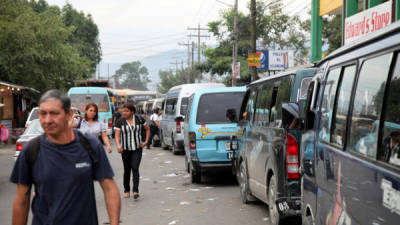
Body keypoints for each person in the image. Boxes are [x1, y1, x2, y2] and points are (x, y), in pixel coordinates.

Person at [10, 90, 120, 225]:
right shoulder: (31, 149)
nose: (47, 120)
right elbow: (22, 200)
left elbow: (109, 188)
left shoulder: (89, 144)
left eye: (54, 113)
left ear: (69, 115)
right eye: (43, 114)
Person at [115, 103, 149, 199]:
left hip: (137, 148)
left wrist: (146, 141)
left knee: (135, 167)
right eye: (123, 110)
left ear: (132, 111)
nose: (124, 112)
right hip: (125, 149)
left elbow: (147, 129)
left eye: (126, 111)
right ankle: (126, 189)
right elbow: (117, 135)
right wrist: (118, 145)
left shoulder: (139, 119)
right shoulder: (120, 121)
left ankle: (135, 190)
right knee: (127, 170)